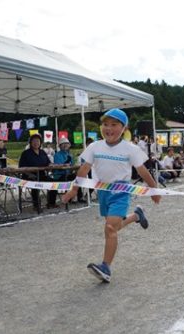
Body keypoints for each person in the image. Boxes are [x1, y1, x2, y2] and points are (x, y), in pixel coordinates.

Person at [62, 108, 161, 283]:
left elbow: (143, 171)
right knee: (113, 227)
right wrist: (74, 190)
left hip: (121, 192)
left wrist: (153, 190)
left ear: (124, 128)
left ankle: (105, 267)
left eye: (114, 125)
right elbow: (84, 169)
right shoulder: (94, 146)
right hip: (103, 192)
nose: (109, 128)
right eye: (105, 124)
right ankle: (136, 216)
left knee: (109, 229)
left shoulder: (130, 149)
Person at [19, 133, 58, 211]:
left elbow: (48, 163)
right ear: (30, 142)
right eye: (34, 141)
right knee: (35, 184)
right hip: (29, 176)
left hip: (41, 175)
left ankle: (51, 203)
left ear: (40, 143)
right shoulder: (26, 153)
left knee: (54, 183)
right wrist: (29, 174)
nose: (36, 143)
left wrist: (51, 166)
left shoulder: (42, 152)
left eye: (38, 141)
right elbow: (21, 167)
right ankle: (36, 206)